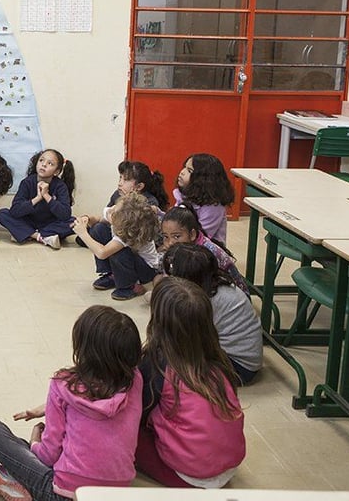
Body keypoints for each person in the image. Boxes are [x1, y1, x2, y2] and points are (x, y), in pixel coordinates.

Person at [0, 306, 143, 500]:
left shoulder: (62, 384)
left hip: (62, 494)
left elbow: (48, 456)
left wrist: (35, 441)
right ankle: (16, 478)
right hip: (117, 493)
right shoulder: (135, 381)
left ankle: (17, 481)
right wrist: (48, 407)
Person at [137, 277, 246, 488]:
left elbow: (136, 415)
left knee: (117, 427)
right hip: (228, 468)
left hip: (188, 477)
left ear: (158, 320)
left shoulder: (158, 365)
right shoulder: (219, 359)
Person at [163, 244, 262, 384]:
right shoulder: (213, 286)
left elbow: (184, 338)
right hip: (233, 357)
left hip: (238, 367)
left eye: (174, 274)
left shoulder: (206, 300)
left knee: (169, 365)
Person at [74, 191, 161, 301]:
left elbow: (102, 253)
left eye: (114, 212)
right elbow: (98, 219)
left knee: (118, 252)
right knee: (99, 229)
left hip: (145, 270)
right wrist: (87, 219)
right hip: (131, 258)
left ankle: (129, 286)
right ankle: (112, 274)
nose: (111, 209)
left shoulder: (128, 234)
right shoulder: (114, 213)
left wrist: (83, 233)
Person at [77, 160, 168, 249]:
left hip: (133, 241)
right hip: (117, 232)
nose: (120, 183)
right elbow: (105, 216)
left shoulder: (149, 202)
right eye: (120, 178)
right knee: (95, 229)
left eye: (125, 180)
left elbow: (134, 231)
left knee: (98, 231)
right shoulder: (118, 194)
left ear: (139, 186)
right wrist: (87, 219)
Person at [0, 149, 76, 250]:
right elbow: (15, 211)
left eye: (50, 163)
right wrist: (37, 198)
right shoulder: (27, 182)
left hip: (50, 224)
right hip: (29, 222)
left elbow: (65, 214)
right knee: (2, 213)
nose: (44, 165)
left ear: (56, 171)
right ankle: (40, 237)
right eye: (41, 160)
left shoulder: (60, 186)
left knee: (75, 222)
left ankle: (25, 233)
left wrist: (46, 196)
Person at [160, 205, 249, 294]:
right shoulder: (178, 248)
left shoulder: (204, 254)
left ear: (192, 235)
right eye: (166, 237)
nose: (170, 242)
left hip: (223, 296)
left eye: (176, 236)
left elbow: (197, 290)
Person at [174, 153, 234, 246]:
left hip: (204, 252)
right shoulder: (184, 195)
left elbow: (200, 237)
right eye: (184, 167)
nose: (182, 172)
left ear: (203, 180)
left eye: (189, 170)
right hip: (182, 242)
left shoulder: (213, 207)